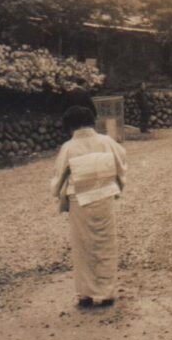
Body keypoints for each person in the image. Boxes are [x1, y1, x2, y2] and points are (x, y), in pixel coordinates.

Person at [50, 106, 128, 308]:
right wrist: (117, 183)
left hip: (79, 200)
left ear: (71, 126)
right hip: (103, 198)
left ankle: (85, 294)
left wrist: (58, 191)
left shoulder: (68, 147)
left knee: (82, 245)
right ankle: (106, 292)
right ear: (91, 122)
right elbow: (121, 163)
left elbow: (59, 176)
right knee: (105, 242)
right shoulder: (106, 141)